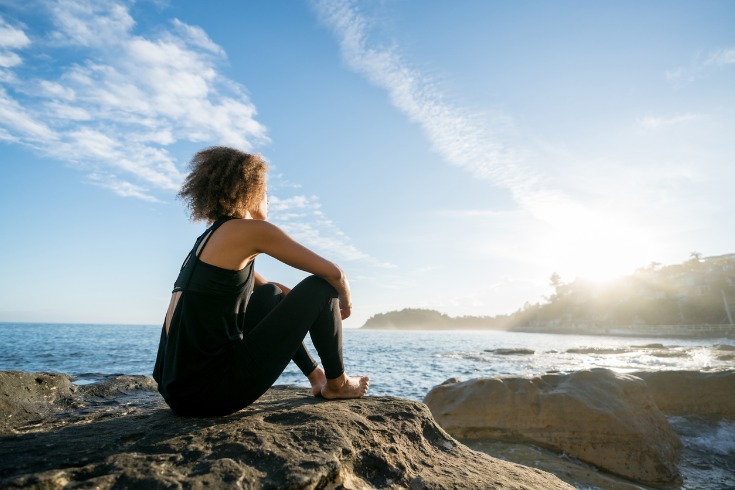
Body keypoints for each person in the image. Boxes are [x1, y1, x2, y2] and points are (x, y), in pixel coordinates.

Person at [153, 146, 369, 417]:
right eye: (266, 191)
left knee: (270, 293)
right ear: (250, 190)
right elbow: (334, 274)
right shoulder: (252, 231)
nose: (268, 199)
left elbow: (271, 292)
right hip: (208, 394)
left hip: (177, 390)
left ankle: (317, 377)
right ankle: (338, 384)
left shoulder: (210, 240)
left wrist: (303, 307)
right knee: (321, 286)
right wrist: (343, 302)